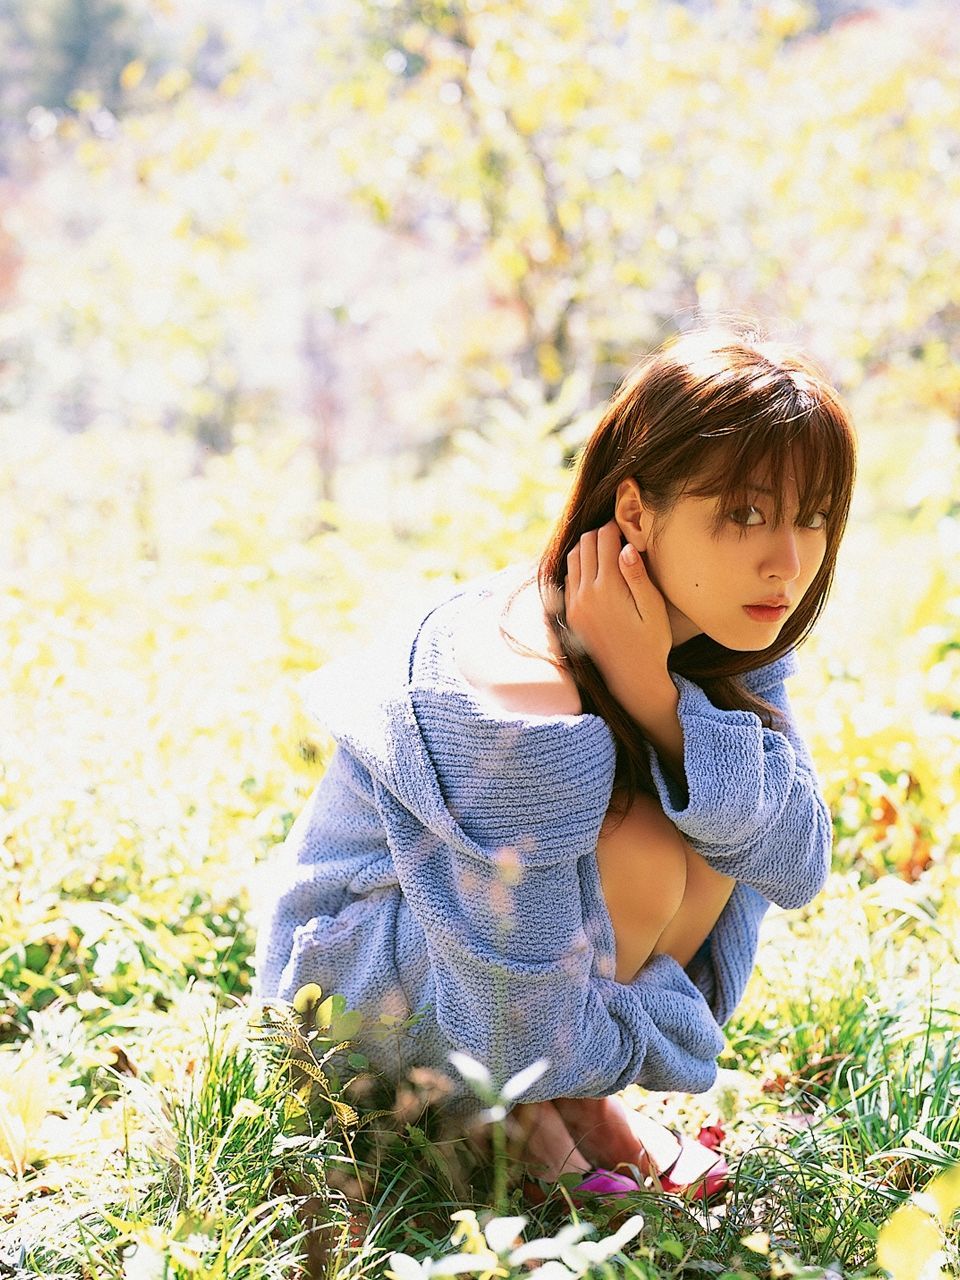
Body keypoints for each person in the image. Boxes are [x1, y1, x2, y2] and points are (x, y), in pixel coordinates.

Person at [254, 324, 857, 1188]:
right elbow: (512, 1020)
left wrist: (651, 694)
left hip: (500, 986)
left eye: (813, 518)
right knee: (646, 848)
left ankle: (575, 1104)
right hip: (349, 988)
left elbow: (794, 861)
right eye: (745, 514)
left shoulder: (728, 632)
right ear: (636, 512)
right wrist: (575, 1054)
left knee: (720, 821)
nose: (787, 561)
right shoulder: (518, 684)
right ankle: (510, 1127)